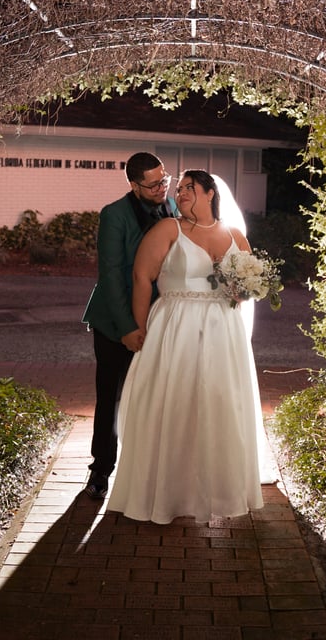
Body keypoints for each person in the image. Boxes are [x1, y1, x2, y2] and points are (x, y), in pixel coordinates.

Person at [106, 170, 267, 524]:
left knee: (217, 403)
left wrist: (243, 291)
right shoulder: (168, 230)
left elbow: (247, 287)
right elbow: (142, 277)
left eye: (189, 188)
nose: (180, 194)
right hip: (174, 325)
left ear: (211, 193)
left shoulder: (235, 236)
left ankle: (215, 488)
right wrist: (137, 327)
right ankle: (164, 492)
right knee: (172, 401)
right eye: (178, 189)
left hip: (222, 330)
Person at [80, 152, 177, 499]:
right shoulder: (114, 215)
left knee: (156, 398)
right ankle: (100, 472)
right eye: (153, 184)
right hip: (114, 322)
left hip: (161, 320)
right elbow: (110, 276)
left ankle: (149, 474)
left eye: (164, 180)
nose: (161, 188)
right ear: (134, 185)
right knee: (111, 398)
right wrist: (127, 328)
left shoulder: (173, 208)